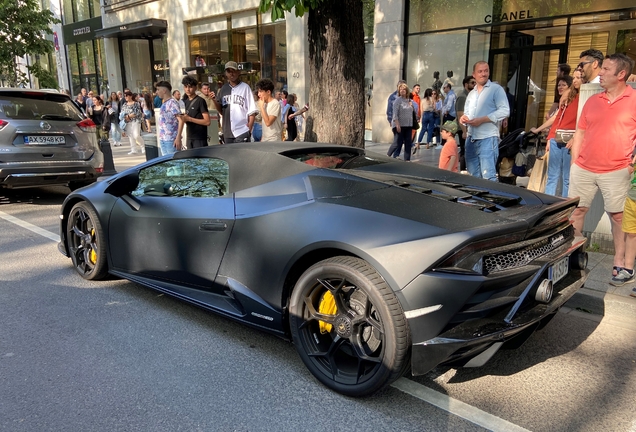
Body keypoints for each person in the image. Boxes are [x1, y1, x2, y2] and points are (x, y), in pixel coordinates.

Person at [567, 53, 636, 285]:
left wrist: (631, 163)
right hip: (584, 168)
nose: (601, 73)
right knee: (576, 213)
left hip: (617, 170)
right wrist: (575, 161)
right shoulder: (593, 100)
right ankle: (572, 260)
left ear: (621, 74)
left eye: (606, 69)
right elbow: (581, 132)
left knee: (618, 217)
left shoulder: (634, 100)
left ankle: (621, 264)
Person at [459, 61, 510, 181]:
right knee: (473, 177)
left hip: (488, 138)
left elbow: (505, 111)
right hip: (471, 139)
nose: (483, 74)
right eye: (480, 71)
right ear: (474, 74)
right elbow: (467, 113)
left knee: (489, 177)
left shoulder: (496, 89)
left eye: (486, 71)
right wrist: (463, 118)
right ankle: (476, 200)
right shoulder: (471, 94)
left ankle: (493, 199)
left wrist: (482, 120)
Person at [530, 74, 578, 197]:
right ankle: (548, 201)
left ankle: (564, 205)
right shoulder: (565, 99)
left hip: (571, 139)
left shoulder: (581, 97)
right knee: (552, 175)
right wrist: (549, 138)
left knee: (567, 177)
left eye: (564, 85)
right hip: (557, 138)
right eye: (559, 85)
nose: (560, 87)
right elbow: (557, 120)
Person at [210, 61, 258, 143]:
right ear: (226, 74)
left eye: (233, 71)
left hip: (242, 130)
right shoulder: (223, 89)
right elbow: (221, 110)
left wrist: (249, 129)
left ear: (238, 72)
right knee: (229, 155)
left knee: (242, 155)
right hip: (227, 131)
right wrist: (214, 100)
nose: (231, 74)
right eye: (229, 71)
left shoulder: (245, 88)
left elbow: (252, 111)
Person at [181, 76, 211, 149]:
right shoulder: (185, 101)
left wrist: (190, 119)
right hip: (189, 137)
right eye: (185, 87)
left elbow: (207, 121)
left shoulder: (200, 101)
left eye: (190, 87)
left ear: (195, 87)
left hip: (199, 138)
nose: (188, 89)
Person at [387, 82, 415, 161]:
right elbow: (395, 113)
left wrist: (412, 106)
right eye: (400, 89)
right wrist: (397, 124)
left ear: (407, 91)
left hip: (408, 125)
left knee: (408, 143)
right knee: (397, 143)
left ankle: (407, 160)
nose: (402, 90)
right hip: (399, 125)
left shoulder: (409, 101)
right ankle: (388, 155)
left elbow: (412, 112)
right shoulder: (397, 101)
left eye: (404, 89)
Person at [155, 81, 184, 155]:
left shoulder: (172, 103)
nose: (157, 92)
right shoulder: (165, 103)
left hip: (171, 139)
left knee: (174, 164)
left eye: (158, 89)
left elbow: (181, 120)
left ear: (164, 91)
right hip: (163, 138)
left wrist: (178, 138)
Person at [455, 76, 476, 172]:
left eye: (475, 83)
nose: (474, 84)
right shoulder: (463, 97)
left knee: (468, 150)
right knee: (464, 150)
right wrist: (464, 131)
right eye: (472, 83)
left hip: (470, 128)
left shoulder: (471, 95)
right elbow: (460, 115)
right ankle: (463, 170)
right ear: (466, 84)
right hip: (464, 128)